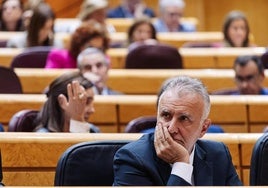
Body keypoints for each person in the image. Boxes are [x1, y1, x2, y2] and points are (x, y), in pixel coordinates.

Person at [113, 75, 242, 186]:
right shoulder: (132, 159)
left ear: (203, 128)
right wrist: (182, 164)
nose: (171, 128)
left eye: (183, 118)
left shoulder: (218, 154)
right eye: (166, 115)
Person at [34, 71, 100, 133]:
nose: (92, 110)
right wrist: (77, 120)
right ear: (62, 102)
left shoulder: (93, 130)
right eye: (85, 102)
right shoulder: (43, 137)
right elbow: (78, 145)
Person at [45, 20, 110, 69]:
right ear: (79, 44)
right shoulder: (58, 57)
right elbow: (47, 81)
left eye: (99, 49)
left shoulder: (104, 61)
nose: (93, 52)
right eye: (90, 47)